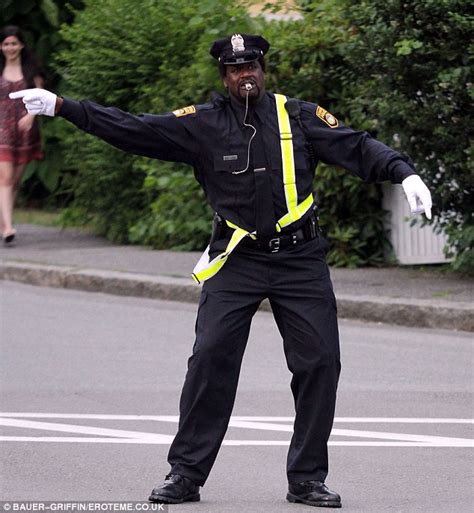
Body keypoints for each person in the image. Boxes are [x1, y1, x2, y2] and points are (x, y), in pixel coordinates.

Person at [10, 34, 432, 508]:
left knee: (320, 363)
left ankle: (307, 478)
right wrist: (65, 107)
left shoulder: (299, 116)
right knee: (210, 359)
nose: (244, 74)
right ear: (223, 76)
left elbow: (356, 146)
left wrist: (404, 172)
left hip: (299, 258)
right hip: (237, 258)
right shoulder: (203, 123)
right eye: (234, 69)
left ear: (263, 68)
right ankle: (185, 474)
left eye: (250, 65)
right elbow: (133, 129)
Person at [0, 26, 45, 244]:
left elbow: (41, 97)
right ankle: (8, 227)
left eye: (14, 43)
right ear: (1, 46)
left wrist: (31, 116)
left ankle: (3, 222)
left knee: (15, 181)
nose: (10, 48)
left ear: (21, 45)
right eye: (6, 44)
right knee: (5, 178)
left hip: (25, 131)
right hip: (1, 132)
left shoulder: (31, 70)